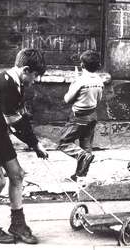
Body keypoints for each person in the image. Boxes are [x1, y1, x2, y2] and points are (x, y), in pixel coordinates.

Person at [0, 48, 49, 244]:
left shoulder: (16, 82)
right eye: (35, 75)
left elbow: (21, 117)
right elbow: (15, 122)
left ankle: (17, 225)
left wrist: (34, 142)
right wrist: (35, 144)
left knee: (17, 174)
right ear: (26, 69)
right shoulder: (7, 84)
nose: (35, 80)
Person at [57, 50, 104, 182]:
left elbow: (67, 99)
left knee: (63, 143)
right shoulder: (100, 81)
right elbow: (99, 99)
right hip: (92, 115)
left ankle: (81, 155)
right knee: (86, 145)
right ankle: (80, 176)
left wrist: (73, 84)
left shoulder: (80, 81)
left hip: (79, 117)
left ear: (82, 65)